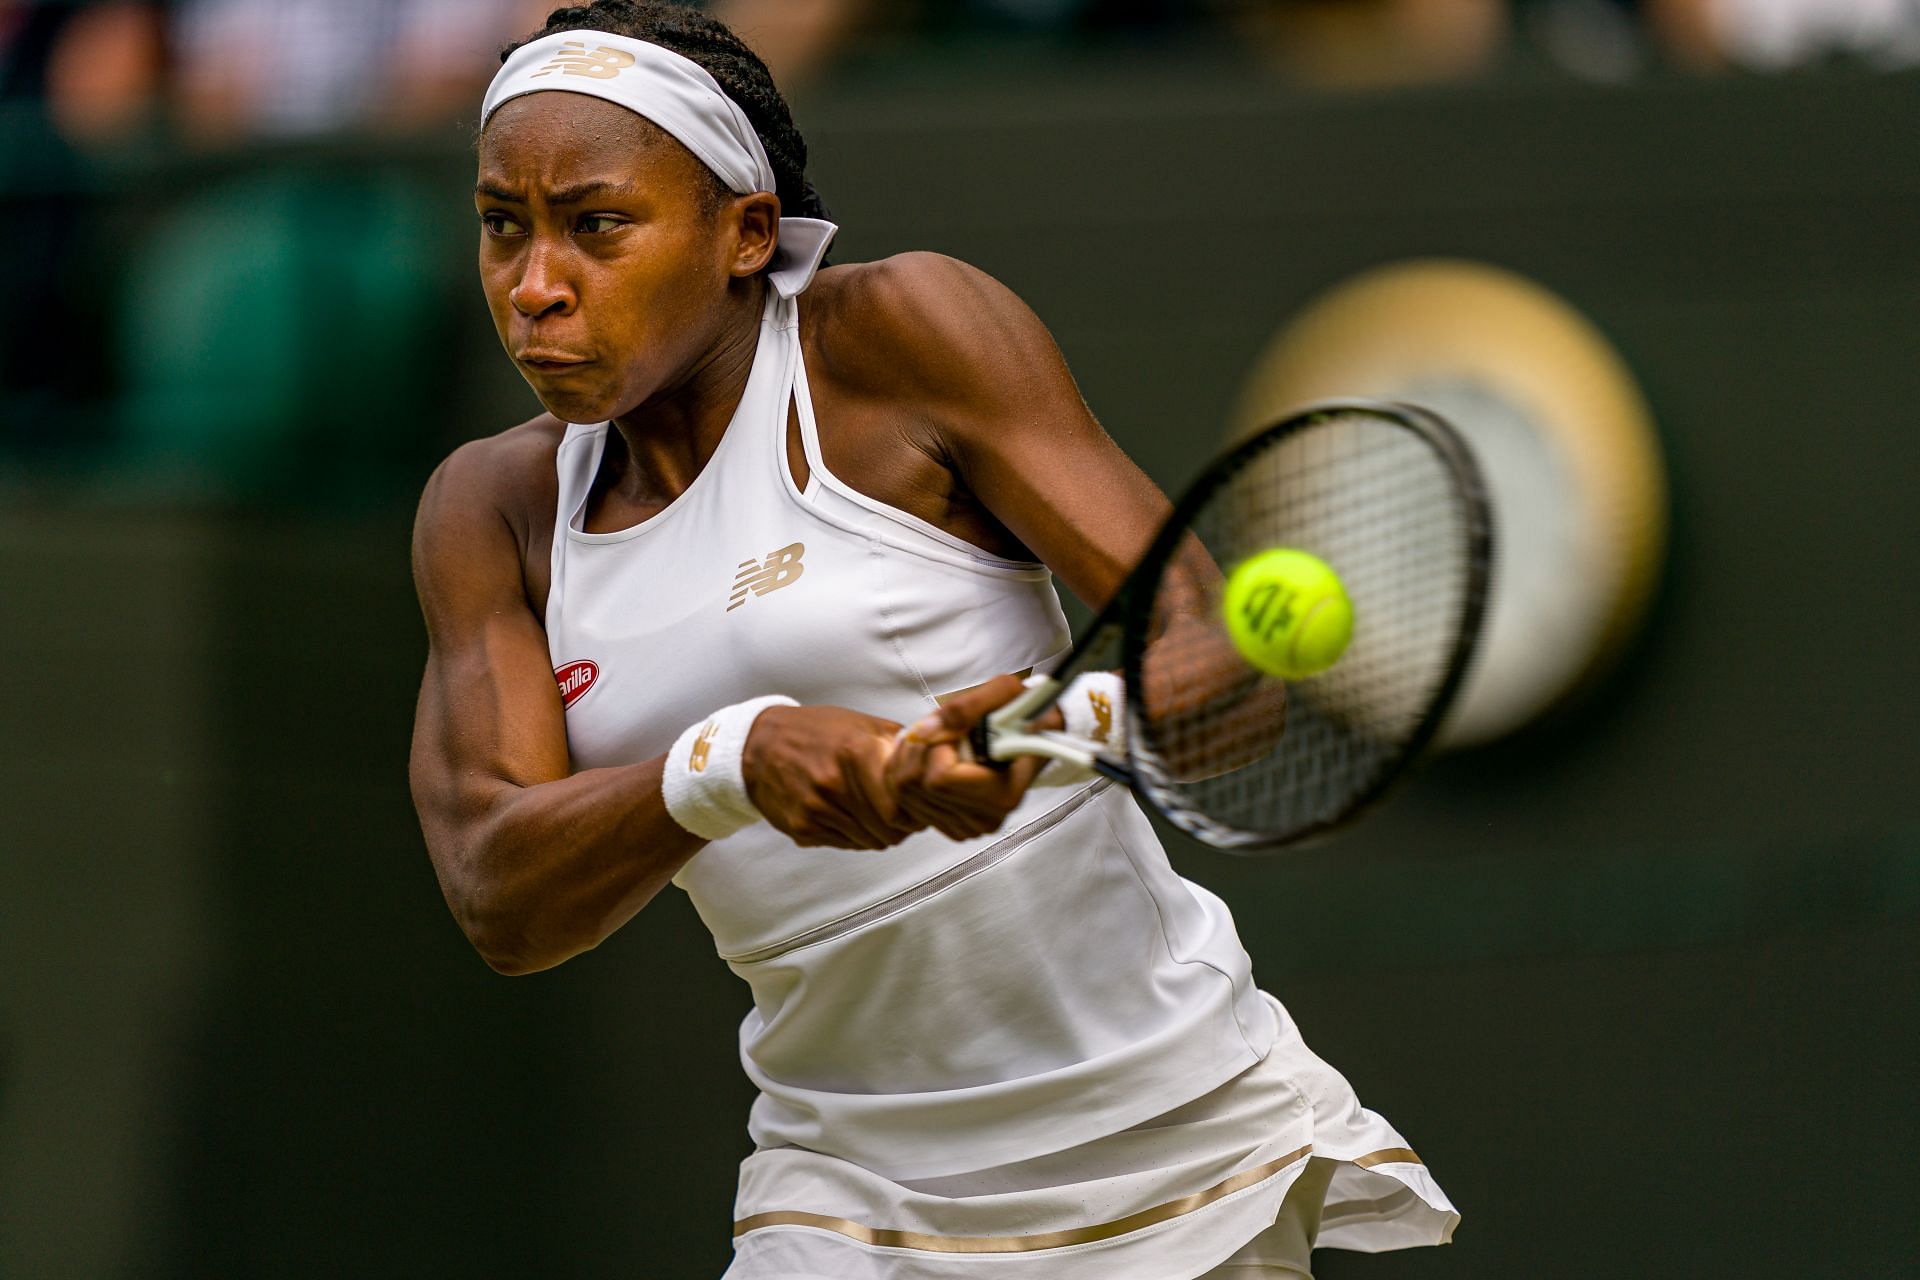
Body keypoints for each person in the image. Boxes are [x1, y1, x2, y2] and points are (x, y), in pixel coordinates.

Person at [407, 2, 1458, 1275]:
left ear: (746, 232)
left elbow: (1226, 672)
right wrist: (733, 760)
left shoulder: (898, 334)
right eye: (501, 225)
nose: (535, 285)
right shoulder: (494, 510)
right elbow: (498, 890)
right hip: (843, 1186)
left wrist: (1060, 723)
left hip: (1166, 1139)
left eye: (599, 224)